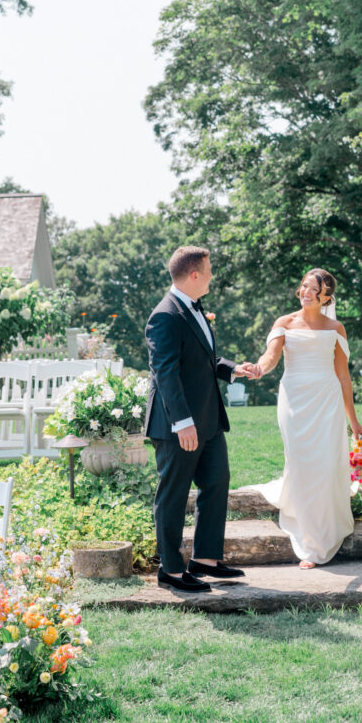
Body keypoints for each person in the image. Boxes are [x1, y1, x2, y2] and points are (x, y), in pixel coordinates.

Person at [145, 245, 258, 592]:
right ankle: (172, 570)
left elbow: (200, 357)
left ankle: (206, 559)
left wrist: (231, 369)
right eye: (208, 271)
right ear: (194, 275)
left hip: (208, 418)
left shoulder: (193, 308)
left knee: (217, 481)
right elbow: (165, 372)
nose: (211, 276)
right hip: (178, 424)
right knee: (174, 494)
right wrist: (182, 422)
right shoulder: (164, 314)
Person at [251, 268, 362, 568]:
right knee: (302, 464)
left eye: (314, 289)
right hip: (294, 400)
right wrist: (260, 368)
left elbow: (343, 377)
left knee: (326, 465)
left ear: (326, 296)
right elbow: (271, 356)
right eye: (303, 286)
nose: (306, 293)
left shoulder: (336, 328)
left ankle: (320, 541)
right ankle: (306, 535)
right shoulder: (285, 323)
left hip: (326, 401)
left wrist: (353, 422)